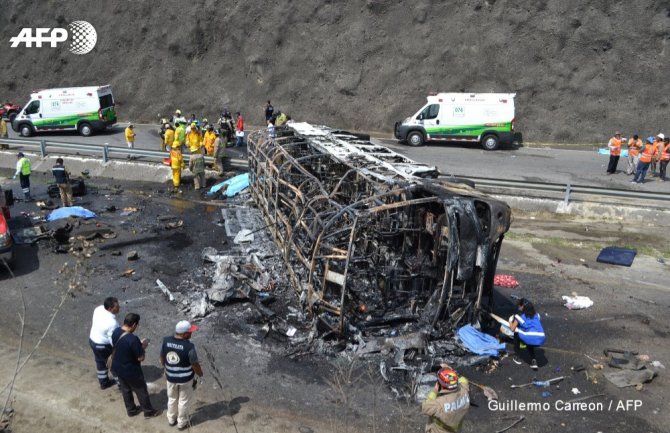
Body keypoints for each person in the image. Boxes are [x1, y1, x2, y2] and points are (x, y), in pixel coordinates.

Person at [111, 313, 160, 418]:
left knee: (126, 390)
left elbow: (120, 346)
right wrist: (143, 347)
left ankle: (131, 410)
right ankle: (148, 412)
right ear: (133, 325)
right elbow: (140, 358)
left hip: (118, 368)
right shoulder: (132, 339)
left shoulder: (115, 332)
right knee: (141, 390)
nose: (137, 327)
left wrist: (138, 345)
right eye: (137, 325)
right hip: (131, 371)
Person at [160, 320, 203, 430]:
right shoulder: (189, 347)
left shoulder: (166, 341)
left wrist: (167, 368)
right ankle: (182, 423)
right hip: (185, 380)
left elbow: (162, 357)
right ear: (184, 334)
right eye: (190, 332)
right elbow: (195, 364)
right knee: (183, 401)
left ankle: (171, 419)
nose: (191, 333)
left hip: (170, 377)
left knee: (172, 399)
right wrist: (200, 374)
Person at [421, 366, 470, 433]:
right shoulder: (464, 391)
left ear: (441, 385)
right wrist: (451, 374)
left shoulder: (438, 404)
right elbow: (464, 380)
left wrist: (434, 391)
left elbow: (424, 407)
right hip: (456, 429)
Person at [88, 297, 120, 389]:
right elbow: (113, 341)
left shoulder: (98, 309)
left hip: (93, 340)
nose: (119, 308)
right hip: (103, 346)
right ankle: (122, 385)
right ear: (110, 308)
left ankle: (103, 383)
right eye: (116, 307)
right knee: (113, 365)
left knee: (100, 362)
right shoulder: (112, 323)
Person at [508, 298, 545, 370]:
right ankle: (533, 360)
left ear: (522, 307)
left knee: (517, 334)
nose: (518, 307)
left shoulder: (519, 316)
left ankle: (517, 356)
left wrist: (510, 321)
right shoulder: (536, 314)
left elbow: (512, 328)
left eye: (519, 306)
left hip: (530, 337)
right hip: (541, 338)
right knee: (529, 340)